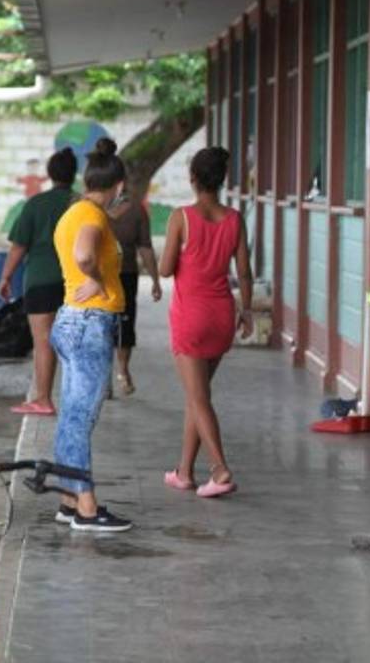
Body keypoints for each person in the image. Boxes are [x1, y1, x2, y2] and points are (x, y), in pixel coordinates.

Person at [159, 147, 253, 498]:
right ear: (222, 180)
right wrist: (247, 312)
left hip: (191, 317)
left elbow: (167, 268)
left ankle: (220, 469)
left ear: (193, 178)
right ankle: (184, 472)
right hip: (222, 316)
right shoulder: (234, 219)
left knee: (198, 398)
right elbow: (243, 271)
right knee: (196, 396)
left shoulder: (180, 217)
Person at [50, 138, 132, 531]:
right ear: (117, 185)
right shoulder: (93, 217)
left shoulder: (72, 212)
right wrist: (97, 279)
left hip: (70, 320)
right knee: (81, 416)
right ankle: (85, 505)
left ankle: (68, 497)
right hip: (89, 322)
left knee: (71, 414)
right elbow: (84, 256)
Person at [0, 148, 78, 416]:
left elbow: (18, 247)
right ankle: (76, 397)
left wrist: (6, 276)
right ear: (74, 174)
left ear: (49, 174)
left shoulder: (35, 204)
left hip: (41, 280)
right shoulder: (80, 204)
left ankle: (43, 398)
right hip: (75, 282)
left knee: (43, 342)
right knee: (73, 341)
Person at [108, 192, 163, 397]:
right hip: (99, 277)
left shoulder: (135, 210)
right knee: (105, 325)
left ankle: (122, 370)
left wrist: (156, 279)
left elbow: (145, 246)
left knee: (124, 325)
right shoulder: (88, 208)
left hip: (125, 275)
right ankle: (107, 376)